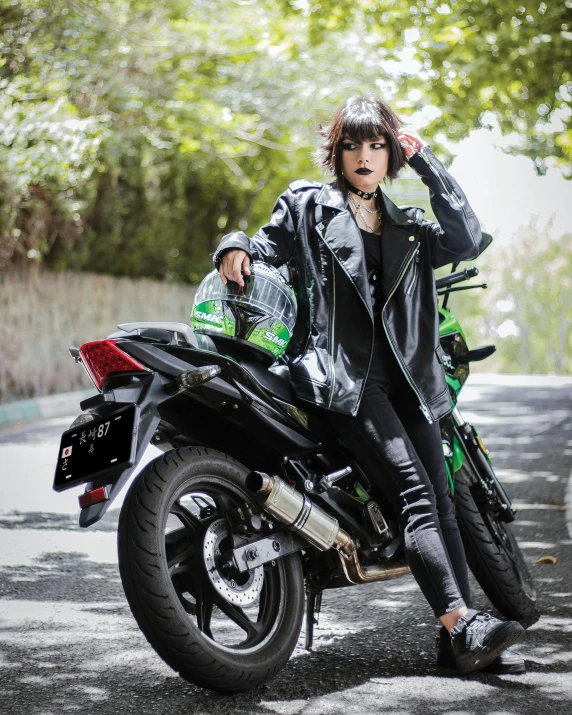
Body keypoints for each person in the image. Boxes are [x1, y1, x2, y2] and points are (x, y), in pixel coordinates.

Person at [213, 95, 525, 675]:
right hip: (344, 379)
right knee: (416, 498)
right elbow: (263, 245)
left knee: (442, 504)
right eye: (353, 144)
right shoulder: (308, 205)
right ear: (337, 153)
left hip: (409, 378)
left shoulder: (408, 225)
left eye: (377, 145)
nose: (364, 155)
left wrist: (428, 161)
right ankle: (462, 621)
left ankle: (460, 641)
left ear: (391, 155)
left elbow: (465, 236)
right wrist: (233, 243)